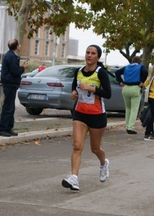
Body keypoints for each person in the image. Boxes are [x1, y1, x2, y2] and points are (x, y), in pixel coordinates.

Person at [62, 45, 111, 191]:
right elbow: (74, 88)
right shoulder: (78, 71)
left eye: (93, 53)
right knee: (77, 146)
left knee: (95, 148)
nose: (89, 55)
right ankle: (74, 178)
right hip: (80, 113)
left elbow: (108, 93)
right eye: (87, 52)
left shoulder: (100, 73)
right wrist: (73, 94)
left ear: (97, 57)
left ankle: (104, 164)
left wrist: (91, 88)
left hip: (97, 115)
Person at [0, 39, 29, 137]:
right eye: (19, 45)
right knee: (8, 107)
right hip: (10, 84)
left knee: (10, 107)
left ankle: (8, 127)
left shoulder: (10, 55)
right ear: (17, 46)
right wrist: (23, 67)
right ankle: (2, 128)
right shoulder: (11, 56)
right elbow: (15, 71)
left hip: (10, 84)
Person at [115, 56, 148, 134]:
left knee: (128, 108)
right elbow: (146, 72)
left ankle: (127, 126)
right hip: (135, 88)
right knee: (134, 109)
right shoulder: (141, 67)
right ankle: (130, 127)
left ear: (132, 61)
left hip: (126, 88)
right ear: (140, 61)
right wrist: (142, 81)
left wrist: (120, 81)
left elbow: (117, 73)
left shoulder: (127, 67)